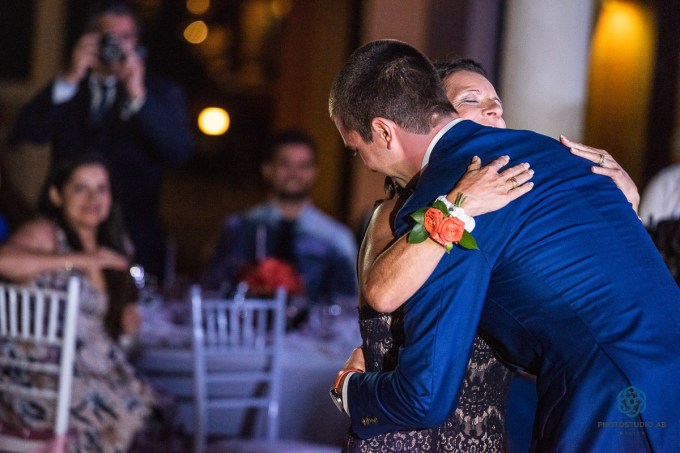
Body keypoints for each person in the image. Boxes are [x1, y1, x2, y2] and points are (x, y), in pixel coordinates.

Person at [329, 40, 680, 452]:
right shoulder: (548, 149)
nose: (366, 162)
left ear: (384, 132)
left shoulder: (454, 193)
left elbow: (423, 397)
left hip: (615, 401)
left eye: (356, 150)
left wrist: (348, 390)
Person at [0, 154, 187, 452]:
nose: (93, 199)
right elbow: (4, 261)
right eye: (80, 189)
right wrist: (80, 260)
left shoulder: (114, 246)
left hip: (95, 374)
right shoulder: (47, 233)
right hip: (43, 384)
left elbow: (97, 337)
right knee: (143, 417)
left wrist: (126, 332)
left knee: (165, 407)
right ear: (56, 195)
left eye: (101, 189)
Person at [10, 1, 194, 283]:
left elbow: (179, 151)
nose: (116, 47)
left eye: (125, 38)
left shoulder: (160, 92)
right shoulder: (71, 87)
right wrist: (70, 78)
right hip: (66, 234)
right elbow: (28, 132)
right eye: (108, 37)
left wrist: (138, 96)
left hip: (135, 234)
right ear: (90, 39)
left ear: (138, 44)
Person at [204, 129, 358, 322]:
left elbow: (348, 304)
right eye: (285, 164)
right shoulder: (237, 228)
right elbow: (212, 291)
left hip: (315, 337)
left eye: (303, 165)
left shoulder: (336, 238)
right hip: (246, 332)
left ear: (315, 172)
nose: (294, 173)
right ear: (267, 169)